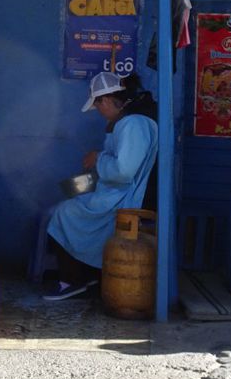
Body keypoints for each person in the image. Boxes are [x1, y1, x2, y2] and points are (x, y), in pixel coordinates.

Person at [43, 72, 159, 301]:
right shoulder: (127, 122)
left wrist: (98, 158)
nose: (98, 111)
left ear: (105, 100)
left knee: (64, 213)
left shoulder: (133, 124)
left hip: (125, 198)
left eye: (97, 105)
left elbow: (124, 171)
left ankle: (72, 280)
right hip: (115, 192)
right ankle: (90, 273)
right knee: (69, 197)